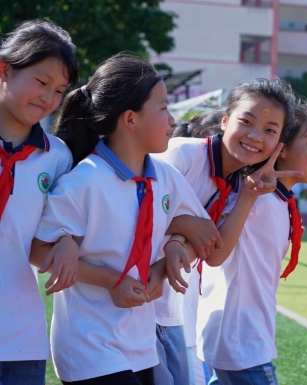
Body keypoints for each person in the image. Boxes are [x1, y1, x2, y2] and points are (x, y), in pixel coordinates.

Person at [31, 53, 215, 384]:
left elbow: (204, 233)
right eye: (162, 108)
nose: (172, 119)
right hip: (87, 345)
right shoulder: (84, 180)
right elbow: (39, 249)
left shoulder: (166, 176)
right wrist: (110, 280)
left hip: (141, 341)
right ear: (130, 119)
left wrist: (172, 252)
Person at [153, 78, 299, 385]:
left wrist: (248, 194)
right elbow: (132, 213)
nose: (255, 136)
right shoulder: (182, 155)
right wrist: (184, 226)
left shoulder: (237, 186)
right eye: (246, 121)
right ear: (224, 120)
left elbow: (216, 254)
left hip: (169, 311)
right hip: (130, 305)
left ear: (279, 145)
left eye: (270, 131)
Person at [196, 100, 307, 385]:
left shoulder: (273, 200)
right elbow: (215, 254)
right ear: (282, 148)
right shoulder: (257, 199)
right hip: (242, 341)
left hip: (235, 338)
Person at [0, 19, 78, 385]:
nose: (49, 98)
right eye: (41, 82)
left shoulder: (58, 157)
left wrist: (66, 239)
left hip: (19, 339)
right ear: (5, 70)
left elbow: (54, 229)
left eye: (60, 90)